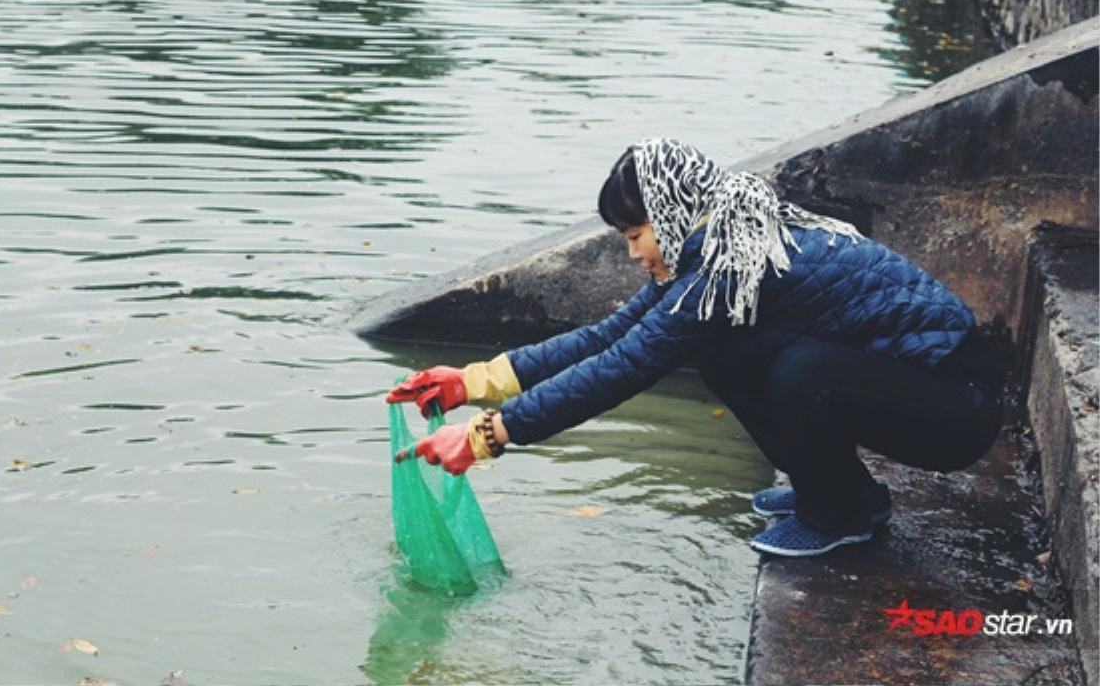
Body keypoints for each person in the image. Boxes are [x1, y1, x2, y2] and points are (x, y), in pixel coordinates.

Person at [387, 137, 1003, 557]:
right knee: (731, 356)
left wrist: (485, 437)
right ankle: (840, 494)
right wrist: (471, 382)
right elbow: (610, 337)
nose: (634, 253)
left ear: (669, 210)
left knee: (800, 373)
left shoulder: (726, 265)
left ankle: (839, 516)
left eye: (636, 234)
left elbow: (622, 367)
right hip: (915, 388)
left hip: (956, 407)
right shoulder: (718, 240)